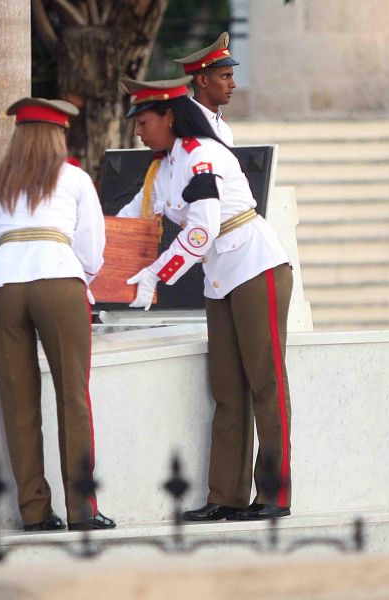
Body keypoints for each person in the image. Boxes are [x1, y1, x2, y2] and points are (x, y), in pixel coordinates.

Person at [118, 77, 293, 522]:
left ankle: (274, 495)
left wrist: (157, 274)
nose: (137, 131)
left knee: (265, 384)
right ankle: (226, 496)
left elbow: (201, 230)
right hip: (220, 275)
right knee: (227, 390)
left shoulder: (201, 156)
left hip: (256, 266)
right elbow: (130, 217)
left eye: (143, 121)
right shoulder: (164, 166)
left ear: (169, 117)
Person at [0, 97, 114, 532]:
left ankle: (34, 513)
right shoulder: (74, 177)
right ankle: (82, 509)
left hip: (0, 284)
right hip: (58, 277)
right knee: (73, 396)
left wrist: (9, 266)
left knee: (19, 403)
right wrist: (78, 277)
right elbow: (92, 249)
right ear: (59, 136)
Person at [173, 32, 238, 146]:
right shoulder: (185, 126)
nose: (233, 84)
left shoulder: (223, 126)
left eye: (231, 76)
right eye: (225, 76)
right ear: (203, 80)